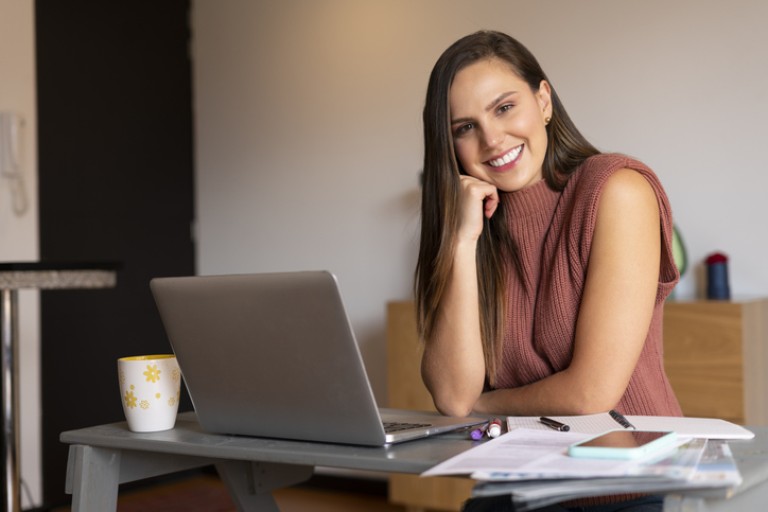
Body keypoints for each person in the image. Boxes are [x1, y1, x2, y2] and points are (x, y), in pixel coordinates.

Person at [414, 30, 682, 511]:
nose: (492, 139)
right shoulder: (473, 224)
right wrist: (459, 240)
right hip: (514, 481)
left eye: (503, 108)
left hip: (618, 487)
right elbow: (453, 395)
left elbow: (589, 394)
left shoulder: (616, 190)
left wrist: (486, 405)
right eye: (464, 128)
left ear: (543, 101)